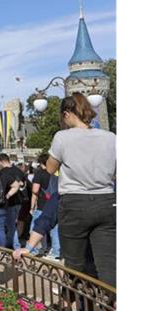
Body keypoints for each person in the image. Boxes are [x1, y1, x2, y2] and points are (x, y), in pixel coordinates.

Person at [46, 93, 116, 287]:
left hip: (75, 202)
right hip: (106, 200)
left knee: (75, 262)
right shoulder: (111, 138)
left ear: (67, 114)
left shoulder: (62, 137)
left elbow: (50, 168)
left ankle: (74, 304)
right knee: (108, 263)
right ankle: (111, 308)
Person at [29, 153, 60, 259]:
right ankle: (56, 252)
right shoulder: (57, 174)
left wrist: (32, 206)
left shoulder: (40, 174)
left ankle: (37, 249)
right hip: (56, 203)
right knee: (54, 229)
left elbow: (35, 190)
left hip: (43, 204)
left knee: (37, 227)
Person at [0, 154, 26, 250]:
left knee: (10, 225)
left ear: (0, 161)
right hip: (20, 201)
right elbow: (23, 185)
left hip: (9, 202)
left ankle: (15, 245)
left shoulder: (2, 173)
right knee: (16, 224)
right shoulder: (18, 171)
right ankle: (11, 242)